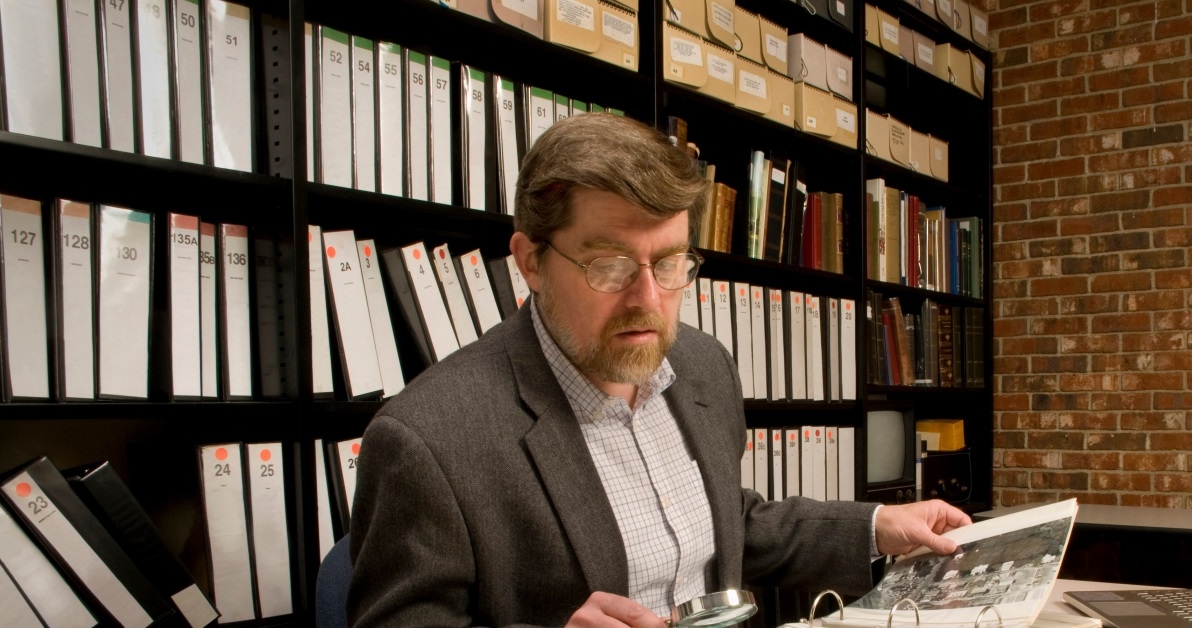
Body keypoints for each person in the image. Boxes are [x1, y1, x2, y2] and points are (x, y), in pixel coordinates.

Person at [347, 113, 971, 627]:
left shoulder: (702, 367)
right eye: (611, 265)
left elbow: (728, 521)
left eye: (670, 264)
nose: (647, 299)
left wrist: (873, 525)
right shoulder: (427, 439)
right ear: (531, 262)